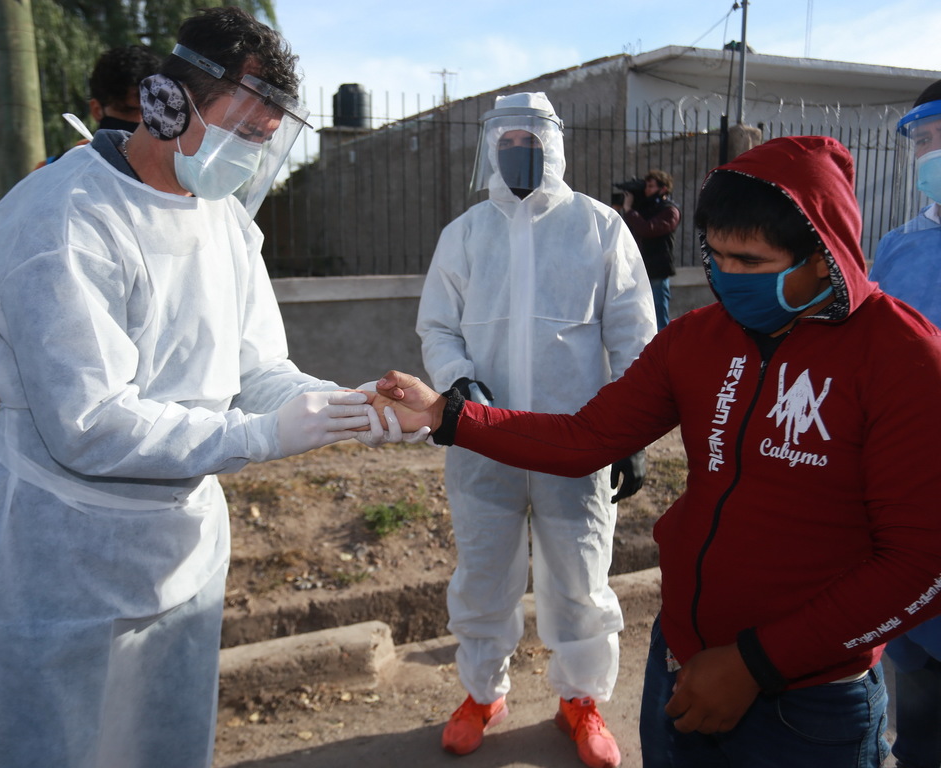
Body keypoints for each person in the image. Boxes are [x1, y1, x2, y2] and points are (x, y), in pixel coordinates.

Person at [375, 135, 941, 768]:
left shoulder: (901, 358)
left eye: (750, 261)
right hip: (681, 670)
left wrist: (758, 664)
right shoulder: (700, 341)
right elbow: (586, 437)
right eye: (716, 257)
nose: (727, 279)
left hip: (809, 705)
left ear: (822, 255)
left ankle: (584, 696)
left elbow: (921, 561)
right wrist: (447, 415)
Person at [0, 8, 419, 768]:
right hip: (62, 549)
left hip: (181, 547)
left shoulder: (225, 222)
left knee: (166, 744)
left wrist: (346, 406)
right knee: (49, 747)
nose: (249, 157)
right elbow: (92, 424)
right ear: (169, 102)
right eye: (243, 133)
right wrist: (264, 435)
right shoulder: (64, 222)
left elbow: (256, 368)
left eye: (265, 142)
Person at [416, 91, 656, 768]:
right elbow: (437, 324)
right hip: (482, 439)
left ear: (554, 148)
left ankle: (580, 699)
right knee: (484, 571)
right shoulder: (465, 233)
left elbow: (635, 334)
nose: (518, 153)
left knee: (580, 575)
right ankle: (482, 693)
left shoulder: (600, 227)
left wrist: (629, 429)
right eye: (507, 142)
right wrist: (459, 379)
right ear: (491, 147)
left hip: (574, 443)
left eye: (530, 142)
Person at [869, 78, 941, 768]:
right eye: (921, 141)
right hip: (909, 525)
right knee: (916, 721)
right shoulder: (897, 249)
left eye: (938, 136)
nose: (929, 153)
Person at [38, 44, 161, 168]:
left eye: (151, 112)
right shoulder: (53, 170)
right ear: (97, 110)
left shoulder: (175, 174)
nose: (140, 121)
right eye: (127, 111)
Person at [616, 169, 681, 330]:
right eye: (646, 186)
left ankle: (664, 351)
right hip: (639, 269)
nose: (647, 190)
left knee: (659, 316)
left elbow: (647, 229)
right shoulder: (644, 208)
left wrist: (630, 209)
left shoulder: (670, 211)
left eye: (651, 186)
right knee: (639, 315)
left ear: (663, 189)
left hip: (657, 270)